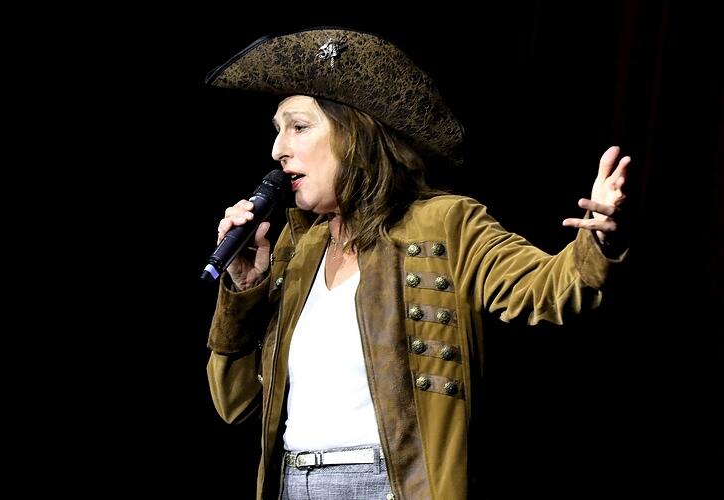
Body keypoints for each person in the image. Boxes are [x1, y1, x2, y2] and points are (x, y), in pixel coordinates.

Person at [204, 28, 629, 499]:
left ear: (356, 134)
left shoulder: (443, 222)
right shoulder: (297, 248)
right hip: (292, 482)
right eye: (277, 130)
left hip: (387, 486)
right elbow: (234, 404)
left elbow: (545, 289)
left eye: (298, 127)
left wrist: (597, 241)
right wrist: (243, 289)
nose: (277, 149)